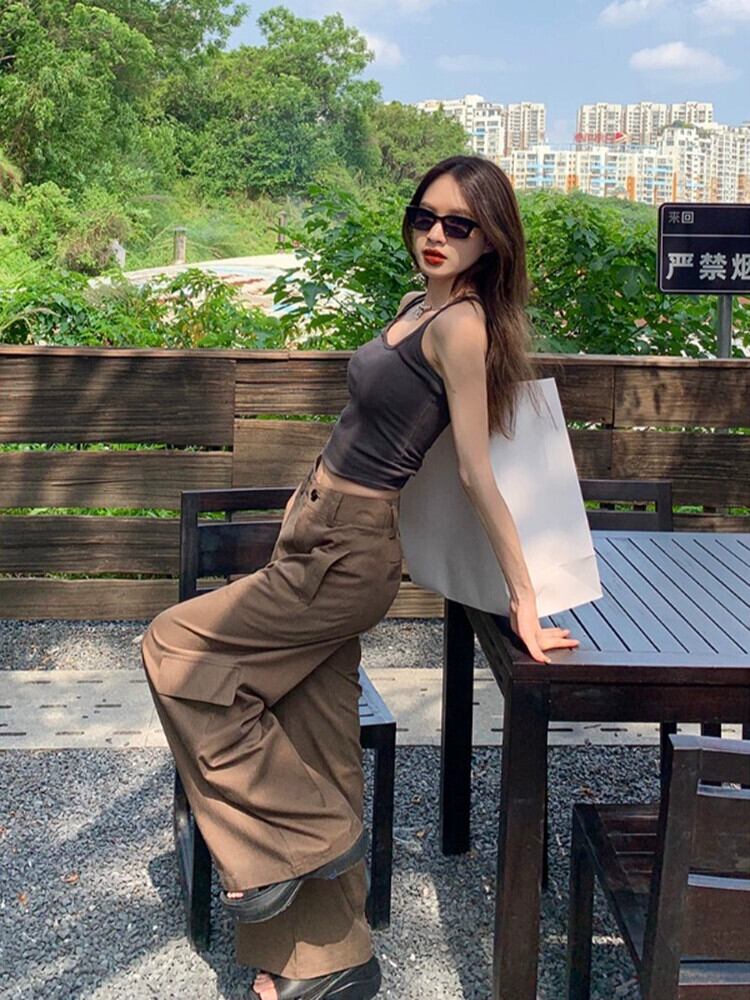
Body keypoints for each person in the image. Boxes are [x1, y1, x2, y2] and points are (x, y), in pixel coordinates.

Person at [141, 153, 580, 1000]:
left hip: (349, 552)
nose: (436, 235)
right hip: (316, 527)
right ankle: (331, 962)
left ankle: (301, 839)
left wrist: (525, 598)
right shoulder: (420, 306)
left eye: (460, 224)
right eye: (425, 217)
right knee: (317, 734)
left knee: (174, 649)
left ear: (492, 239)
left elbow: (476, 472)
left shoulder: (463, 327)